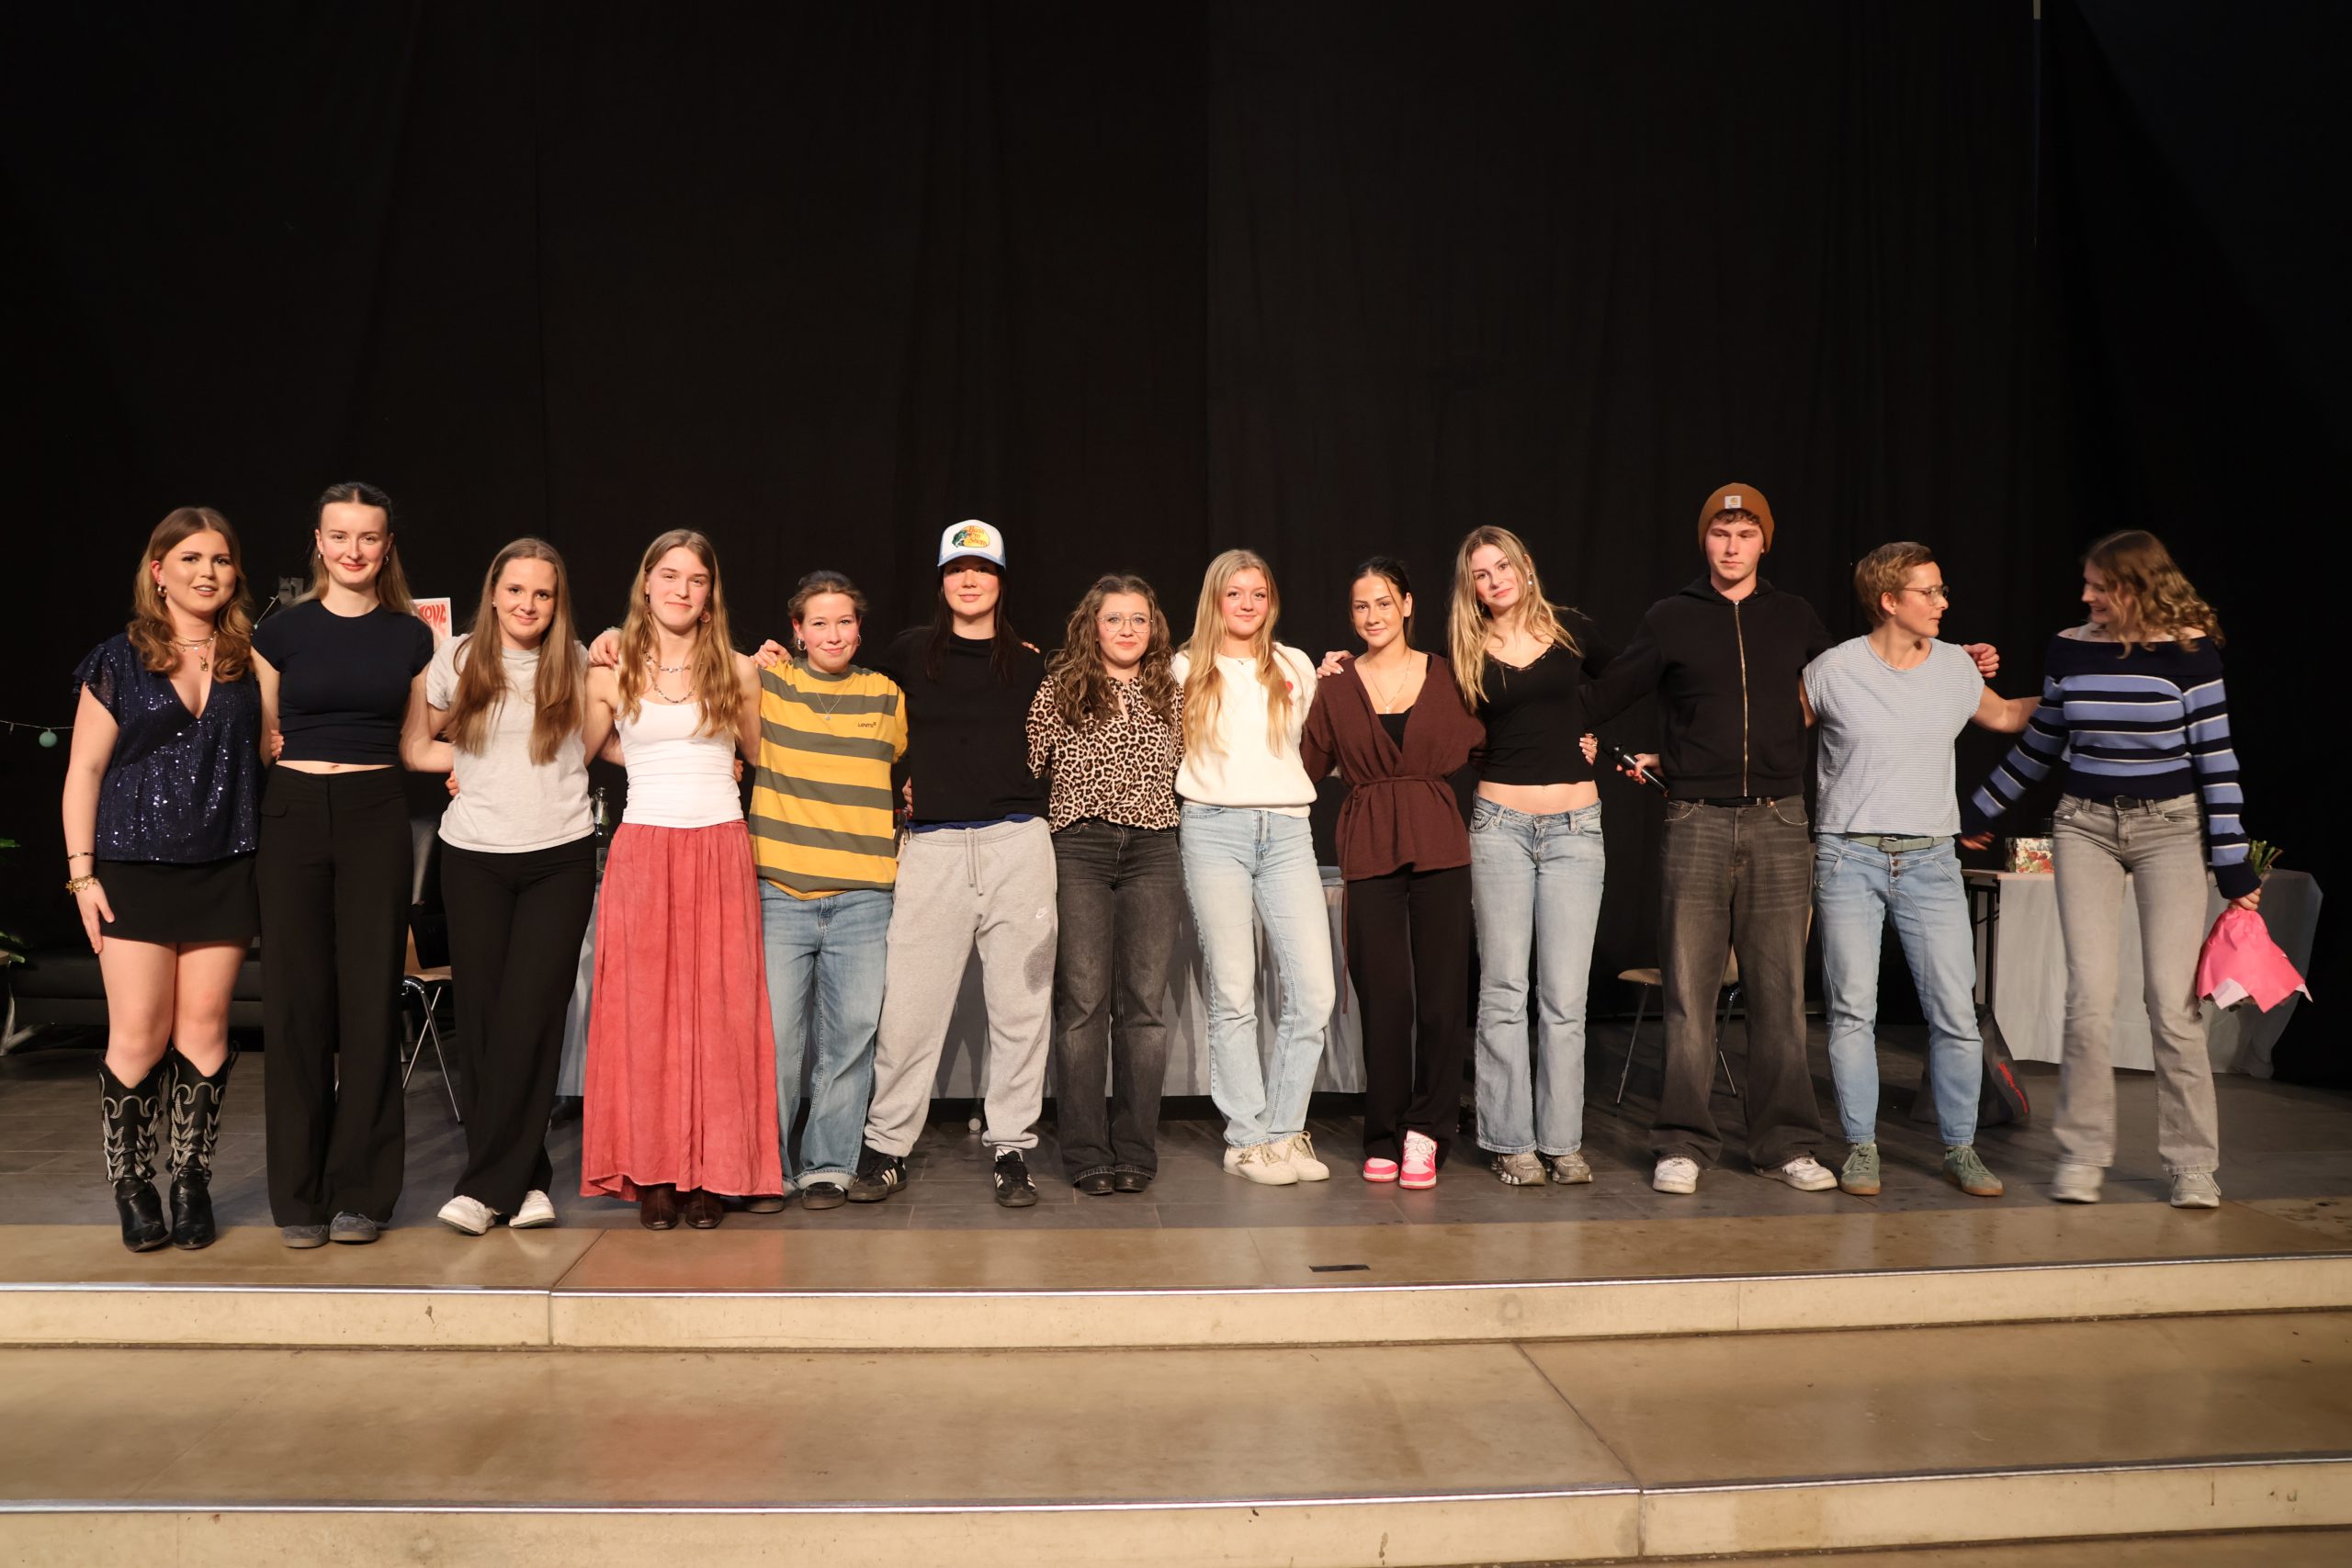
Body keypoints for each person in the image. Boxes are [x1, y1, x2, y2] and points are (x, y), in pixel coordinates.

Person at [1961, 530, 2257, 1210]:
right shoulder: (2070, 647)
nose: (2086, 595)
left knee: (2171, 1005)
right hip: (2084, 825)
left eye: (2100, 585)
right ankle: (2083, 1153)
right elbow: (2041, 745)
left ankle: (2192, 1165)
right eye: (2087, 583)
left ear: (2136, 587)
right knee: (2088, 999)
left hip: (2170, 830)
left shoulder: (2191, 654)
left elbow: (2217, 762)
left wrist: (2235, 867)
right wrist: (1979, 808)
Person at [1803, 543, 2037, 1201]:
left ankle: (1961, 1147)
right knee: (1852, 1010)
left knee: (1955, 1012)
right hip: (1848, 856)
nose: (1942, 602)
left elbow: (2005, 714)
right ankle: (1861, 1147)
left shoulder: (1956, 667)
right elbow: (1765, 733)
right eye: (1928, 591)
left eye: (1941, 589)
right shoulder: (1833, 670)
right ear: (1888, 600)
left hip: (1931, 859)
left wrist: (2080, 692)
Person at [62, 508, 265, 1251]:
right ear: (158, 571)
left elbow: (277, 750)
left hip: (226, 864)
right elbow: (83, 771)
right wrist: (82, 876)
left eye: (220, 559)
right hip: (133, 864)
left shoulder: (252, 658)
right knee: (140, 1032)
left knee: (205, 1028)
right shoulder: (117, 659)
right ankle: (133, 1186)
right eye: (190, 558)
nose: (207, 572)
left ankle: (190, 1184)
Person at [848, 521, 1056, 1209]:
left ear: (1001, 580)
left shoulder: (1030, 663)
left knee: (1021, 1010)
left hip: (1016, 844)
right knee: (909, 1010)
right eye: (958, 569)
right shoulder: (908, 653)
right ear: (941, 581)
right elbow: (844, 697)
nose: (970, 580)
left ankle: (1012, 1149)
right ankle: (887, 1146)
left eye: (983, 569)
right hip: (933, 848)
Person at [252, 483, 438, 1247]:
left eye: (368, 537)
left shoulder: (412, 638)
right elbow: (263, 739)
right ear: (319, 543)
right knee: (296, 1006)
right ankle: (298, 1196)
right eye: (339, 535)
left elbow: (417, 745)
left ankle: (362, 1191)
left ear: (387, 546)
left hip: (374, 814)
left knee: (369, 1004)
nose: (353, 550)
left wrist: (498, 764)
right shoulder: (279, 633)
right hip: (293, 815)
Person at [578, 529, 781, 1230]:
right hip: (645, 848)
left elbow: (761, 754)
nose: (682, 589)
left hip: (719, 844)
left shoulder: (737, 669)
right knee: (646, 1016)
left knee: (720, 1014)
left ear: (710, 592)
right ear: (647, 582)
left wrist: (783, 676)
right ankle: (655, 1171)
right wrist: (642, 758)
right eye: (669, 575)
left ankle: (711, 1173)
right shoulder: (610, 670)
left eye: (696, 579)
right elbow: (579, 749)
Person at [421, 539, 604, 1235]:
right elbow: (417, 741)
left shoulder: (579, 661)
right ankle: (526, 1183)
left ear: (558, 602)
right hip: (473, 857)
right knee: (484, 1019)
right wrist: (466, 767)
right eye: (516, 590)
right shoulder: (459, 657)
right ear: (494, 593)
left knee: (532, 1019)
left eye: (543, 593)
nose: (528, 604)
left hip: (558, 857)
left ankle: (481, 1188)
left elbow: (594, 745)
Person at [1302, 558, 1483, 1188]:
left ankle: (1427, 1131)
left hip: (1439, 844)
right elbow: (1305, 763)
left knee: (1440, 998)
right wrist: (1305, 684)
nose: (1372, 615)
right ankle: (1382, 1131)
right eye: (1361, 606)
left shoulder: (1451, 675)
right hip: (1370, 845)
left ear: (1407, 604)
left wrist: (1576, 747)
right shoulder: (1336, 686)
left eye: (1384, 602)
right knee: (1384, 999)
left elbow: (1499, 742)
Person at [1448, 527, 1615, 1190]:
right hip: (1501, 826)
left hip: (1576, 828)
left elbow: (1625, 677)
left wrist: (1594, 729)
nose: (1495, 580)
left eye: (1503, 566)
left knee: (1565, 997)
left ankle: (1562, 1141)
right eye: (1481, 574)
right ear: (1471, 587)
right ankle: (1510, 1140)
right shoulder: (1465, 647)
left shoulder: (1571, 630)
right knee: (1503, 990)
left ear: (1524, 566)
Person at [1171, 548, 1336, 1187]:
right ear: (1215, 600)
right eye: (1234, 593)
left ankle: (1284, 1130)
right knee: (1235, 989)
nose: (1247, 604)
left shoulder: (1294, 665)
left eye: (1258, 594)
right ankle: (1245, 1139)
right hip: (1214, 829)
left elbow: (1321, 743)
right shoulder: (1184, 667)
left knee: (1315, 991)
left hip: (1288, 830)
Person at [747, 570, 906, 1211]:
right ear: (797, 630)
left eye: (844, 621)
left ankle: (829, 1164)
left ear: (859, 629)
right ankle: (768, 1168)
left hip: (864, 896)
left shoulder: (886, 695)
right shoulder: (767, 684)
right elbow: (690, 666)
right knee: (776, 1041)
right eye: (819, 622)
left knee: (851, 1036)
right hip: (780, 893)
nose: (833, 634)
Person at [1026, 573, 1185, 1195]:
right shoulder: (1061, 687)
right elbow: (1027, 765)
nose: (1127, 629)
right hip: (1079, 848)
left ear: (1154, 627)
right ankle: (1087, 1149)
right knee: (1083, 1004)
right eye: (1114, 618)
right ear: (1092, 626)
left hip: (1153, 848)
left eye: (1138, 619)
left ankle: (1136, 1148)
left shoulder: (1171, 689)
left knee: (1143, 1008)